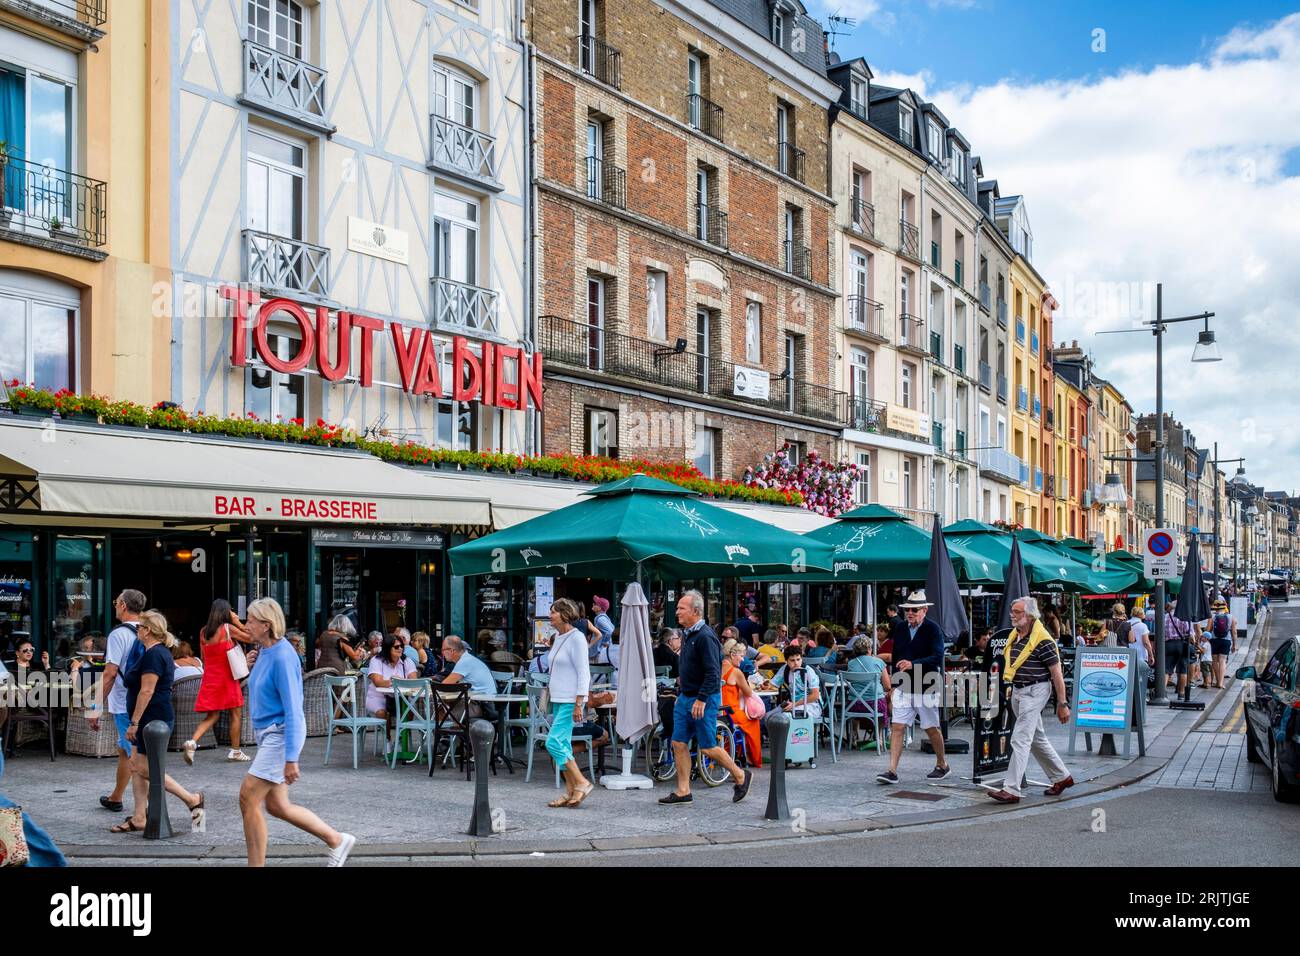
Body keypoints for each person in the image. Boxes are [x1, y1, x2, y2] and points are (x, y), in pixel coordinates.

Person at [239, 597, 355, 867]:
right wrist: (249, 666)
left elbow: (293, 708)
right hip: (269, 734)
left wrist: (291, 757)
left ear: (266, 625)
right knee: (277, 806)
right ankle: (337, 840)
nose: (247, 624)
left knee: (247, 797)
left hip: (281, 735)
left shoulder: (282, 656)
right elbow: (255, 690)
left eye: (251, 620)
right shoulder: (264, 651)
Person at [110, 610, 204, 834]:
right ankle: (140, 816)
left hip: (152, 719)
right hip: (150, 718)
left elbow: (147, 690)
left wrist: (134, 723)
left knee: (144, 767)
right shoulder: (154, 652)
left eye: (140, 627)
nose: (137, 631)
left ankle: (191, 799)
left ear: (148, 631)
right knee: (136, 766)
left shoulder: (154, 655)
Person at [659, 590, 752, 806]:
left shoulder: (705, 636)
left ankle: (740, 775)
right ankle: (683, 791)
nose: (678, 612)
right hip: (685, 697)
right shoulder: (688, 633)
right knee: (678, 742)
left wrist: (701, 699)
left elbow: (713, 672)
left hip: (703, 699)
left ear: (696, 611)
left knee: (708, 746)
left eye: (682, 608)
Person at [987, 597, 1074, 804]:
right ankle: (1063, 777)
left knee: (1020, 738)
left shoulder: (1043, 640)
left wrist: (1062, 704)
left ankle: (1011, 789)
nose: (1012, 615)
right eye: (1012, 611)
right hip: (1019, 690)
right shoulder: (1015, 636)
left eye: (1017, 612)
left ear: (1029, 616)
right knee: (1036, 738)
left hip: (1035, 690)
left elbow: (1057, 674)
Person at [876, 591, 950, 785]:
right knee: (898, 726)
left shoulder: (933, 629)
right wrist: (893, 684)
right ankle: (891, 770)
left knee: (931, 727)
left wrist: (913, 663)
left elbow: (938, 656)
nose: (910, 612)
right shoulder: (900, 628)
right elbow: (896, 654)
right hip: (904, 684)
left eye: (914, 609)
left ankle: (942, 764)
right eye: (907, 609)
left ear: (924, 610)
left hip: (926, 682)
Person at [93, 589, 147, 814]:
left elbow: (110, 673)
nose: (115, 605)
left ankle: (187, 799)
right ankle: (116, 797)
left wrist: (95, 707)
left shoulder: (118, 634)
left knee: (137, 759)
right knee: (126, 751)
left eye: (116, 602)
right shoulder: (147, 631)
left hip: (124, 703)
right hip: (142, 699)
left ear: (123, 605)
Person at [539, 598, 595, 807]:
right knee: (562, 744)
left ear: (564, 614)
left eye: (553, 612)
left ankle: (581, 782)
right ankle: (571, 792)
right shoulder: (558, 637)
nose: (550, 616)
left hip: (571, 699)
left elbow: (584, 672)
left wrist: (580, 702)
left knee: (552, 742)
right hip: (559, 698)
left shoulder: (577, 638)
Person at [182, 599, 251, 765]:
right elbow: (251, 638)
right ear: (225, 613)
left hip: (210, 677)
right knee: (236, 713)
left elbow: (204, 657)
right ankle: (235, 751)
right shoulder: (228, 628)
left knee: (212, 715)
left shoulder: (203, 632)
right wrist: (237, 622)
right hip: (227, 678)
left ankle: (192, 742)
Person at [843, 636, 891, 748]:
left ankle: (854, 734)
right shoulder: (879, 662)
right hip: (875, 705)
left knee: (855, 700)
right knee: (884, 703)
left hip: (854, 705)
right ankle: (879, 737)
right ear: (869, 649)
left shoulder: (851, 663)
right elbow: (888, 686)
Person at [721, 638, 762, 767]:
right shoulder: (736, 672)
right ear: (733, 655)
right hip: (731, 712)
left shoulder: (719, 666)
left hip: (719, 711)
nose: (743, 659)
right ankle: (753, 758)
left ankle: (736, 752)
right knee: (754, 721)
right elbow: (748, 692)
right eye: (742, 656)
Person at [365, 633, 418, 723]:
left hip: (402, 697)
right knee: (382, 713)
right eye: (396, 647)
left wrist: (398, 681)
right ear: (388, 648)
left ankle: (402, 734)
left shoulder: (407, 661)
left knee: (410, 710)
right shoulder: (377, 660)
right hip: (379, 697)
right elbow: (378, 682)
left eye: (402, 646)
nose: (400, 648)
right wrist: (393, 681)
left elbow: (414, 682)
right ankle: (387, 736)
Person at [440, 634, 496, 718]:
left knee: (440, 709)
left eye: (443, 650)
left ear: (451, 650)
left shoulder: (465, 662)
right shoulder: (467, 659)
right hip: (484, 702)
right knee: (443, 706)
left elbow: (443, 686)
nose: (442, 653)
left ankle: (445, 730)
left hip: (482, 705)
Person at [769, 644, 822, 720]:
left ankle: (789, 732)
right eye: (792, 660)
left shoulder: (808, 671)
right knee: (769, 716)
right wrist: (764, 685)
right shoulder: (785, 669)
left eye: (798, 659)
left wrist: (794, 704)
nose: (796, 663)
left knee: (784, 718)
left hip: (812, 706)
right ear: (786, 661)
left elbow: (815, 695)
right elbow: (773, 684)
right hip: (793, 704)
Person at [1162, 601, 1196, 696]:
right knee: (1182, 670)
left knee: (1166, 669)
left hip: (1168, 644)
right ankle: (1181, 693)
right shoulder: (1185, 617)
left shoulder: (1165, 617)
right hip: (1182, 644)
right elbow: (1191, 635)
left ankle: (1162, 692)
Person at [1206, 600, 1237, 688]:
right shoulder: (1231, 617)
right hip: (1226, 641)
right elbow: (1234, 632)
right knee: (1222, 661)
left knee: (1215, 661)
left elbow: (1208, 630)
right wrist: (1234, 644)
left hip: (1214, 640)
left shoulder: (1212, 617)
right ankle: (1221, 683)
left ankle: (1217, 681)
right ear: (1224, 607)